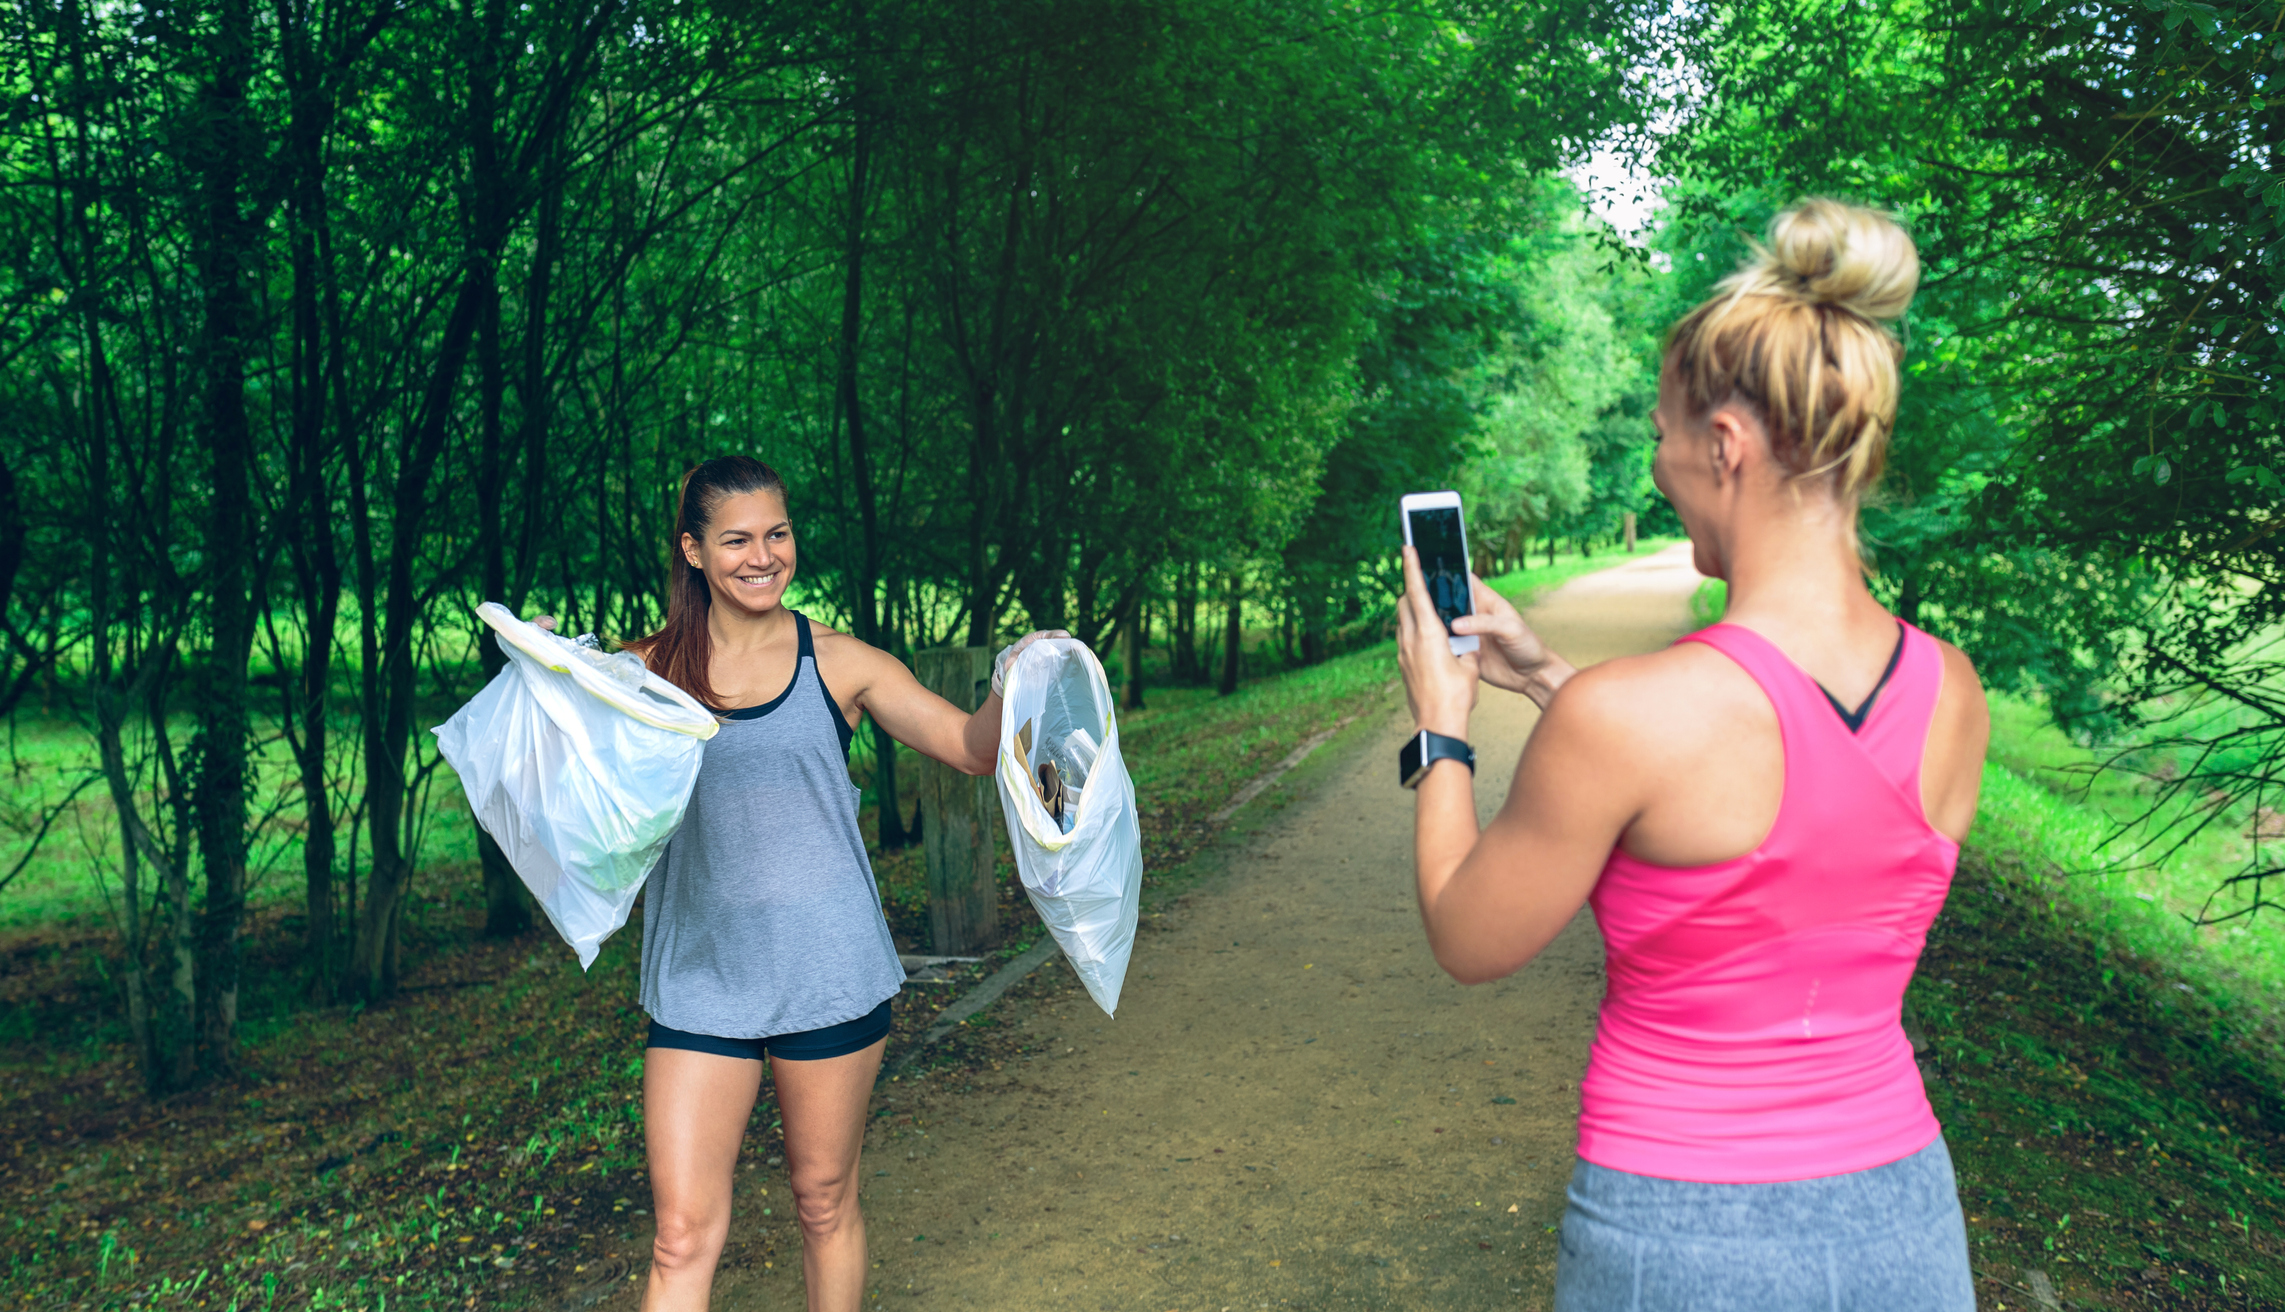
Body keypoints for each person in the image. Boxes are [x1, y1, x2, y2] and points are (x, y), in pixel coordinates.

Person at [1394, 200, 1986, 1310]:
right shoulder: (1949, 689)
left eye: (1662, 432)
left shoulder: (1633, 717)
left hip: (1678, 1231)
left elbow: (1468, 933)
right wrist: (1541, 675)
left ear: (1723, 446)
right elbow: (1794, 794)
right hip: (1902, 1220)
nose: (1656, 461)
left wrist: (1444, 723)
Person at [550, 456, 1058, 1312]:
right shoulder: (642, 672)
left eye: (776, 534)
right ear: (695, 551)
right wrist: (552, 676)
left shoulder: (842, 663)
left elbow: (971, 749)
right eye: (737, 539)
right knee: (679, 1235)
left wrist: (1018, 678)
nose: (761, 556)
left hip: (829, 973)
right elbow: (567, 792)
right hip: (699, 983)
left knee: (823, 1203)